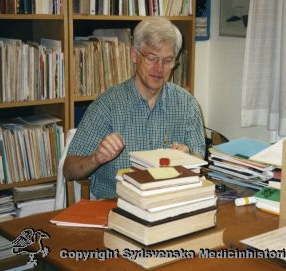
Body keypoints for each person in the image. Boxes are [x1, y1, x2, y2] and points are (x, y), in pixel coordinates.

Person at [63, 17, 206, 199]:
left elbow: (199, 161)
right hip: (117, 205)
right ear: (134, 55)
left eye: (167, 60)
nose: (159, 68)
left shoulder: (186, 104)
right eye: (152, 58)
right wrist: (96, 158)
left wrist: (188, 157)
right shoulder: (107, 106)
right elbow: (69, 170)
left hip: (169, 202)